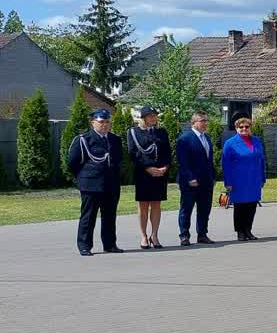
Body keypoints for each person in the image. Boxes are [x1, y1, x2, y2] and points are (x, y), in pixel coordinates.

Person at [68, 108, 124, 256]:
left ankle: (110, 244)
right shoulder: (83, 139)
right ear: (93, 122)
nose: (105, 125)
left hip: (111, 184)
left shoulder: (115, 140)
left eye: (107, 122)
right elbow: (73, 162)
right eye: (101, 122)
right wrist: (83, 178)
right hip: (91, 184)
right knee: (88, 216)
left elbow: (118, 161)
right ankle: (84, 246)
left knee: (110, 216)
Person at [127, 105, 171, 249]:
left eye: (155, 115)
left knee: (157, 204)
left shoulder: (161, 132)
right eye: (151, 116)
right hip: (143, 173)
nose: (154, 118)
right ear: (144, 118)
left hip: (160, 172)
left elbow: (167, 151)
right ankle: (143, 236)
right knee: (143, 205)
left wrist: (165, 167)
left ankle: (154, 235)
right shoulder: (134, 132)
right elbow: (133, 153)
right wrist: (148, 168)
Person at [175, 110, 216, 246]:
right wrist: (190, 177)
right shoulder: (185, 138)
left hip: (206, 180)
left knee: (204, 208)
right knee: (186, 208)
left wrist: (213, 176)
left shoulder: (207, 138)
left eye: (206, 121)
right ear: (193, 123)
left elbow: (209, 159)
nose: (205, 123)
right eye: (202, 121)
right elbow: (182, 161)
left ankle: (202, 234)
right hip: (190, 181)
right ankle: (184, 235)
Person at [221, 117, 266, 241]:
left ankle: (248, 230)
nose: (244, 129)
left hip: (254, 179)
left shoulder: (257, 141)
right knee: (240, 206)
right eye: (241, 127)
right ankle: (240, 232)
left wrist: (263, 178)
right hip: (238, 180)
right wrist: (228, 182)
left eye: (247, 126)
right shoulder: (230, 143)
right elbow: (225, 164)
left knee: (252, 205)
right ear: (236, 128)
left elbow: (262, 160)